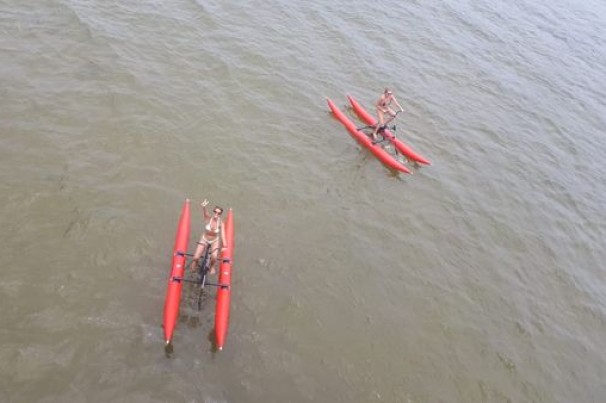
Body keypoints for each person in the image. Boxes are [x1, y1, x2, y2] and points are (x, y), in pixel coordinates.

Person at [190, 199, 226, 275]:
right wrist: (204, 207)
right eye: (215, 212)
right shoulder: (208, 218)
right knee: (196, 258)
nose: (216, 214)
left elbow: (223, 235)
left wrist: (225, 246)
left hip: (214, 241)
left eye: (219, 213)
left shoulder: (221, 223)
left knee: (214, 257)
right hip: (204, 239)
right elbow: (205, 212)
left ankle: (211, 266)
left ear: (220, 215)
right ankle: (195, 263)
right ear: (213, 212)